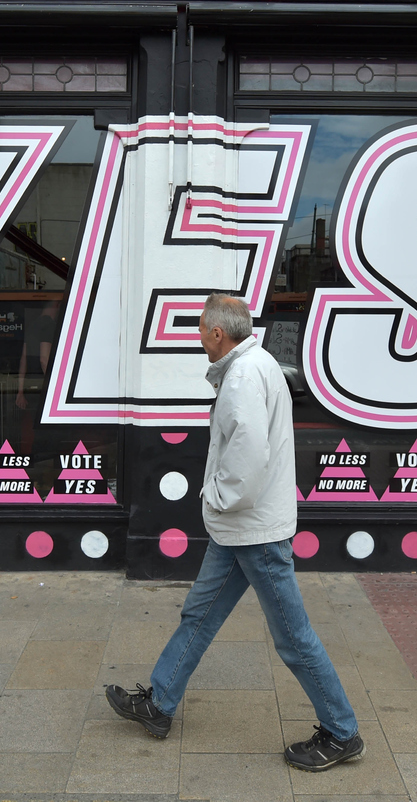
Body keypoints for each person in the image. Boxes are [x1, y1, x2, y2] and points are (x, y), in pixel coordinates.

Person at [106, 293, 363, 772]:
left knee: (293, 638)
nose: (199, 336)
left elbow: (247, 457)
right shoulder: (256, 364)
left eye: (201, 329)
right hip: (241, 531)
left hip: (254, 532)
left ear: (218, 334)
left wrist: (216, 500)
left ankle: (342, 732)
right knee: (199, 614)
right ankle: (159, 704)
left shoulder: (243, 378)